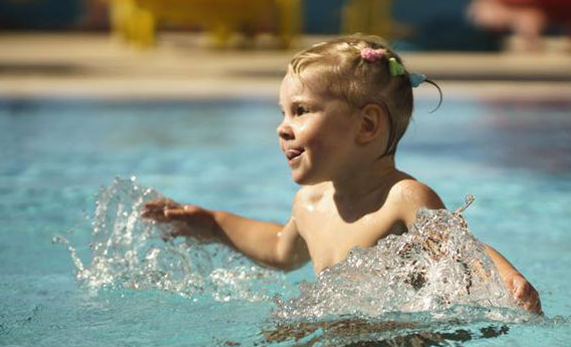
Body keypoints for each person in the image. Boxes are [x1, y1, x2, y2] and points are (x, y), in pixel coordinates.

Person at [142, 35, 541, 313]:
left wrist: (508, 278)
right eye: (282, 112)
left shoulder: (403, 199)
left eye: (301, 111)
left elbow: (464, 251)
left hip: (400, 345)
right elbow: (280, 250)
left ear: (366, 125)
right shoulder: (309, 204)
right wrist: (213, 223)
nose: (282, 127)